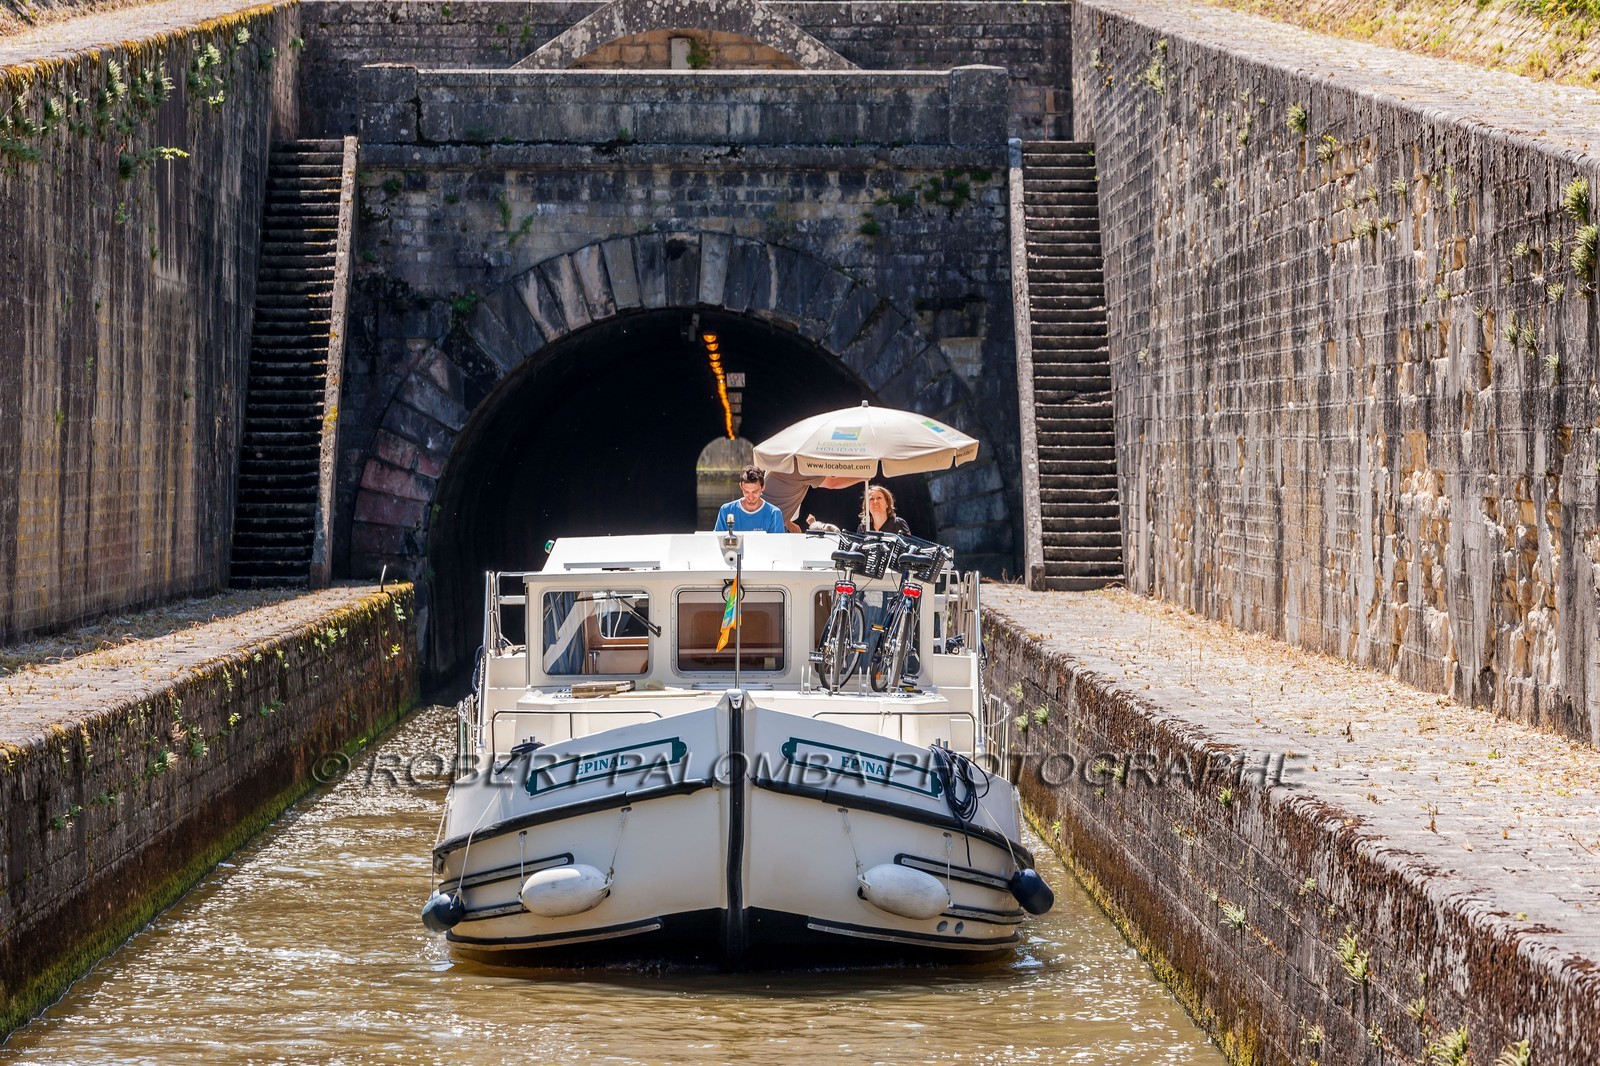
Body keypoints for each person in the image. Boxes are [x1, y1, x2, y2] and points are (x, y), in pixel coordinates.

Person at [763, 471, 864, 533]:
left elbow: (774, 494)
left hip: (764, 521)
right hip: (768, 527)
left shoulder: (779, 465)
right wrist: (863, 476)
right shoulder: (800, 470)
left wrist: (787, 522)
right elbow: (832, 482)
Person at [714, 466, 786, 533]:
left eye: (755, 491)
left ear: (763, 487)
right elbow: (717, 541)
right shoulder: (726, 510)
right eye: (746, 492)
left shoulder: (774, 514)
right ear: (741, 487)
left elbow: (778, 544)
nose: (750, 497)